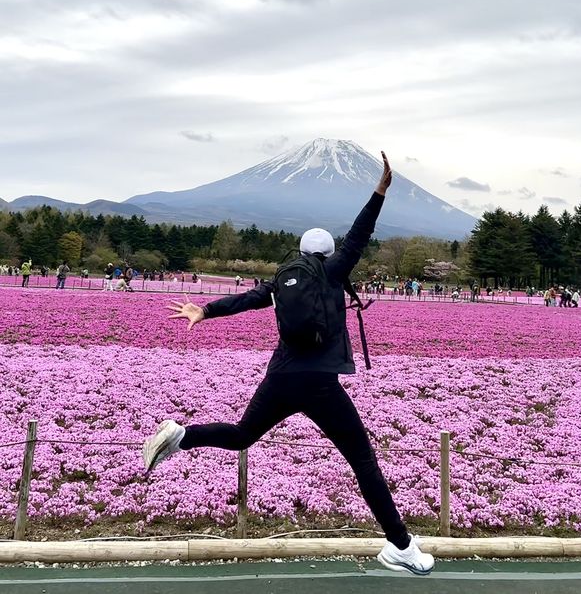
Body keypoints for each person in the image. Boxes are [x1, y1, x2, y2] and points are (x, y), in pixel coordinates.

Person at [142, 152, 435, 576]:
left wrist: (204, 311)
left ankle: (182, 435)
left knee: (243, 435)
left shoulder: (282, 279)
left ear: (300, 253)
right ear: (329, 254)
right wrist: (379, 192)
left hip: (281, 378)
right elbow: (360, 234)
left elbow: (244, 301)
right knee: (364, 463)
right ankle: (401, 546)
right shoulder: (334, 272)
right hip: (320, 385)